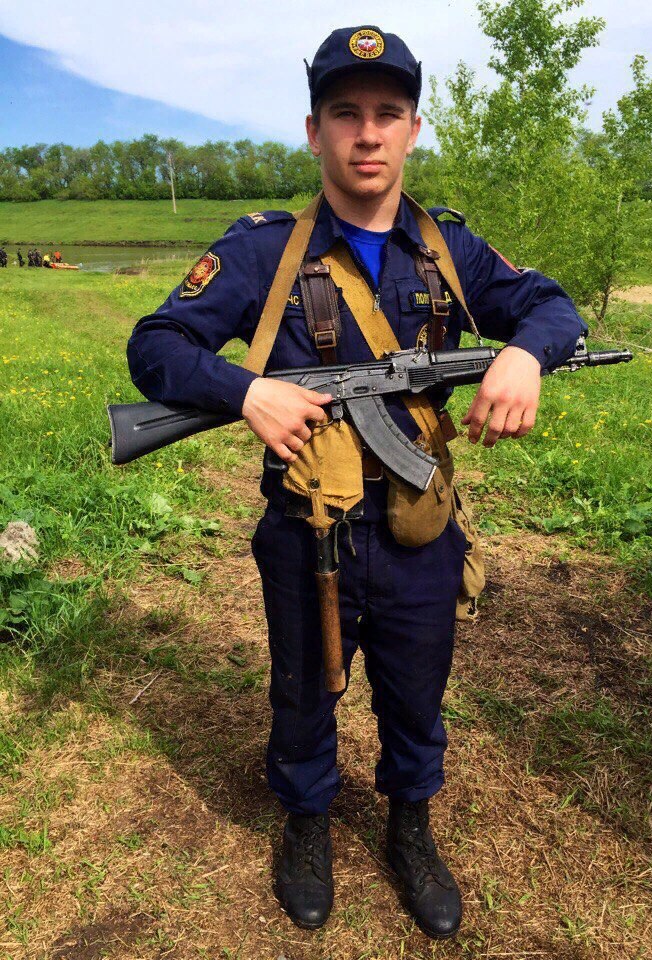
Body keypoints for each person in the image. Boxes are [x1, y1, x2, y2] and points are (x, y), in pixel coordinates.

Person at [126, 25, 587, 940]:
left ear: (412, 128)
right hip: (309, 527)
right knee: (305, 689)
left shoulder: (447, 247)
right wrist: (245, 391)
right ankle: (306, 824)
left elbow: (551, 305)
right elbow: (155, 345)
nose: (366, 133)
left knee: (416, 689)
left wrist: (525, 355)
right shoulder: (261, 251)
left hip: (419, 525)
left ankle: (409, 827)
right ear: (314, 131)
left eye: (387, 113)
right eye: (345, 113)